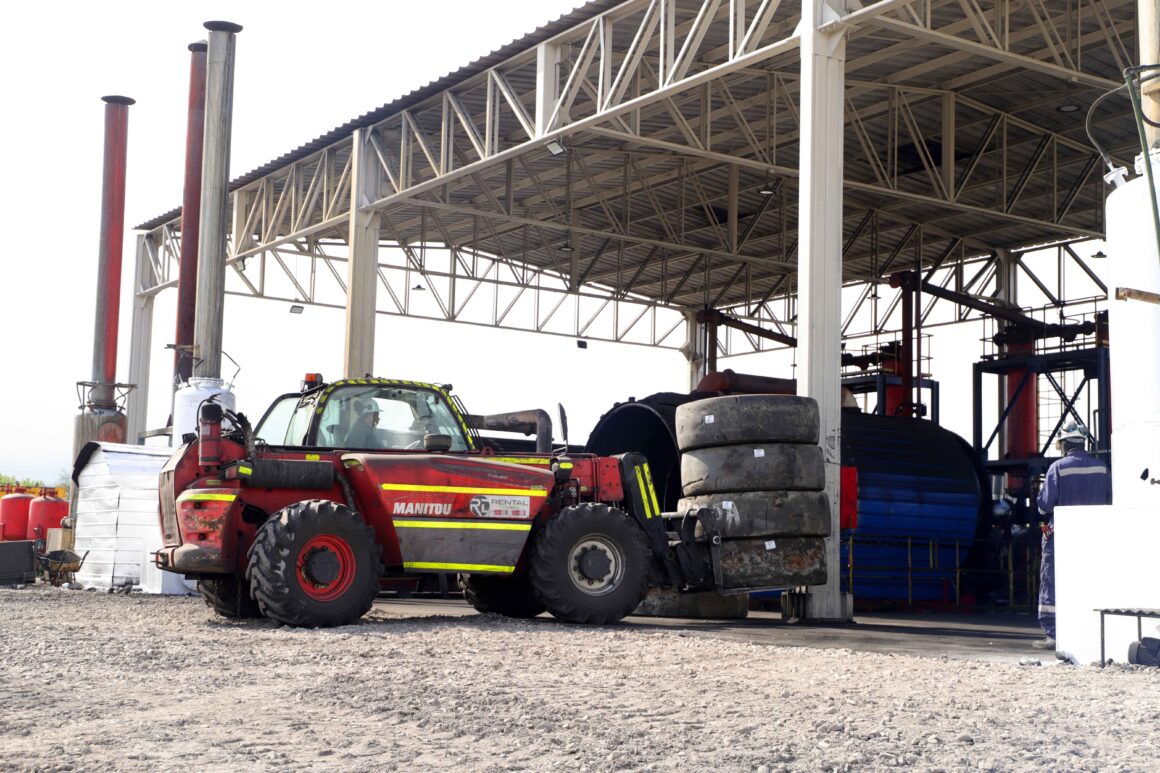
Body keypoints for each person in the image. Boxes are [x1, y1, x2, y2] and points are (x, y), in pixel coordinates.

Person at [1032, 421, 1110, 649]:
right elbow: (1109, 500)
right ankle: (1091, 631)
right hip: (1094, 535)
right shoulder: (1102, 468)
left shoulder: (1058, 468)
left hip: (1061, 537)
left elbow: (1044, 506)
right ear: (1083, 442)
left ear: (1064, 444)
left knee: (1052, 581)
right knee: (1091, 580)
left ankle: (1054, 634)